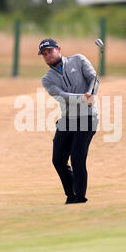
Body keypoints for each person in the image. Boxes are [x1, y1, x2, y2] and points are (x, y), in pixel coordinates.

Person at [39, 38, 99, 205]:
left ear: (58, 49)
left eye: (49, 51)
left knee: (78, 158)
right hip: (67, 119)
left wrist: (90, 93)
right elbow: (62, 96)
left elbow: (93, 79)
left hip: (87, 117)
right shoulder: (47, 79)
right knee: (58, 159)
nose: (47, 56)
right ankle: (71, 193)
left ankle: (79, 198)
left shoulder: (78, 60)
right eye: (44, 54)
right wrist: (82, 97)